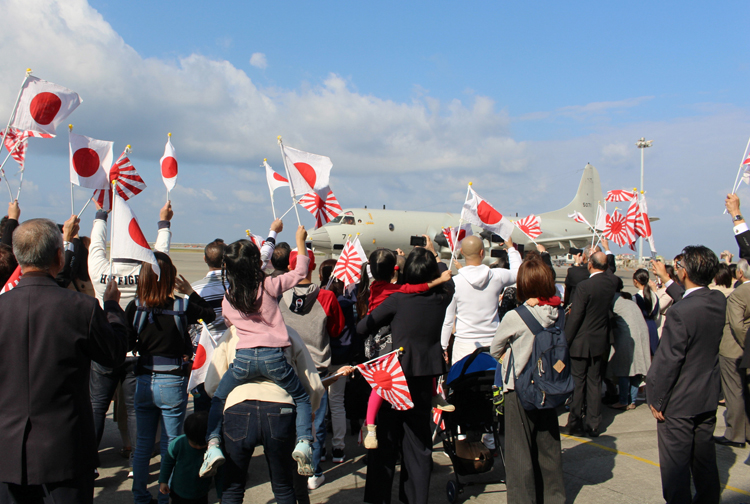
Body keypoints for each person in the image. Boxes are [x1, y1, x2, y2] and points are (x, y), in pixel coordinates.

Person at [0, 218, 128, 504]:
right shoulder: (81, 308)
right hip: (65, 449)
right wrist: (113, 309)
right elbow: (114, 354)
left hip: (7, 452)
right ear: (59, 256)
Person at [202, 226, 314, 480]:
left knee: (219, 399)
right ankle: (304, 442)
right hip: (275, 358)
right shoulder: (270, 286)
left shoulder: (229, 298)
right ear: (256, 264)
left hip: (242, 360)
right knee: (302, 398)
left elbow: (230, 324)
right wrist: (300, 241)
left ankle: (212, 445)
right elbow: (299, 272)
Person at [357, 239, 454, 504]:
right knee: (419, 446)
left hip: (394, 378)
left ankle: (378, 498)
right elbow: (449, 281)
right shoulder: (441, 297)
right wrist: (435, 256)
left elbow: (363, 327)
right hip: (425, 378)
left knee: (385, 445)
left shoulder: (398, 300)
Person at [88, 200, 174, 476]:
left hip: (103, 349)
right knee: (135, 410)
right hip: (133, 351)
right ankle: (138, 463)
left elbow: (95, 248)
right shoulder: (145, 273)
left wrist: (101, 215)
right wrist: (164, 223)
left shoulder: (100, 270)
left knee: (97, 406)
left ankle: (88, 462)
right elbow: (161, 254)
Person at [127, 252, 216, 504]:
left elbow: (127, 339)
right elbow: (209, 314)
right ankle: (165, 496)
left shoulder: (136, 307)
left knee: (143, 445)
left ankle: (140, 497)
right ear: (170, 277)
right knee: (170, 444)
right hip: (172, 381)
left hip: (144, 379)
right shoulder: (181, 306)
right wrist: (190, 292)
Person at [204, 324, 325, 504]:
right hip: (281, 409)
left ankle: (212, 446)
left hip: (237, 408)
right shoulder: (288, 331)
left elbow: (211, 385)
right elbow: (314, 386)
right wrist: (310, 411)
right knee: (284, 486)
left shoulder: (232, 333)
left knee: (232, 487)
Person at [646, 245, 725, 504]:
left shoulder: (680, 312)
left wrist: (655, 398)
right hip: (706, 396)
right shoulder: (717, 301)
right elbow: (691, 301)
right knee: (704, 464)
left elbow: (669, 361)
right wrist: (669, 279)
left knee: (676, 470)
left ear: (686, 272)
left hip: (678, 404)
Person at [489, 258, 565, 504]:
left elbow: (495, 349)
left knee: (519, 452)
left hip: (520, 388)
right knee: (549, 448)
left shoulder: (516, 316)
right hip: (552, 386)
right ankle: (554, 497)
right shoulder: (558, 312)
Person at [279, 245, 345, 490]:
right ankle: (313, 472)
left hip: (287, 367)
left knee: (287, 422)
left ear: (290, 268)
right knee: (315, 423)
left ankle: (287, 470)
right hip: (317, 368)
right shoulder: (326, 297)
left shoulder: (280, 294)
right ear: (314, 267)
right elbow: (337, 330)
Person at [441, 235, 521, 363]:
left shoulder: (454, 283)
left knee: (462, 382)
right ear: (482, 253)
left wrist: (443, 347)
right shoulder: (496, 276)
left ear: (461, 252)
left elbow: (448, 320)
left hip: (464, 344)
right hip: (493, 343)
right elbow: (518, 273)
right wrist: (511, 248)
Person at [564, 251, 617, 437]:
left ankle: (575, 422)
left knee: (578, 383)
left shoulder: (585, 286)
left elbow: (576, 317)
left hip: (581, 341)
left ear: (590, 265)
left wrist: (566, 340)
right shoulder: (611, 284)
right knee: (595, 382)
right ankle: (593, 423)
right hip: (599, 340)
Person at [714, 258, 750, 448]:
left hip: (733, 349)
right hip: (745, 348)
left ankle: (735, 434)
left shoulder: (739, 294)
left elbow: (736, 325)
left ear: (740, 274)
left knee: (734, 392)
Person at [189, 239, 228, 412]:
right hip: (230, 354)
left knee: (202, 409)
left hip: (203, 354)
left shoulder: (194, 289)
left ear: (205, 259)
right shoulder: (233, 287)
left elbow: (189, 324)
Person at [159, 411, 221, 504]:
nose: (198, 447)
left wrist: (220, 494)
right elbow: (167, 463)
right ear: (187, 435)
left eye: (202, 444)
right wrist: (163, 481)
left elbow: (220, 473)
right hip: (178, 492)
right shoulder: (178, 444)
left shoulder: (213, 450)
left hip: (201, 493)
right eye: (194, 443)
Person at [607, 292, 651, 410]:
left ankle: (623, 400)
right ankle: (632, 400)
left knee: (624, 370)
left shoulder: (614, 303)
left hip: (627, 337)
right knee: (636, 370)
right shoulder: (631, 304)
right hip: (641, 336)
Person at [632, 269, 660, 355]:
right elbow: (657, 315)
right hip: (652, 326)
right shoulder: (654, 295)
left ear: (635, 281)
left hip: (641, 327)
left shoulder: (635, 298)